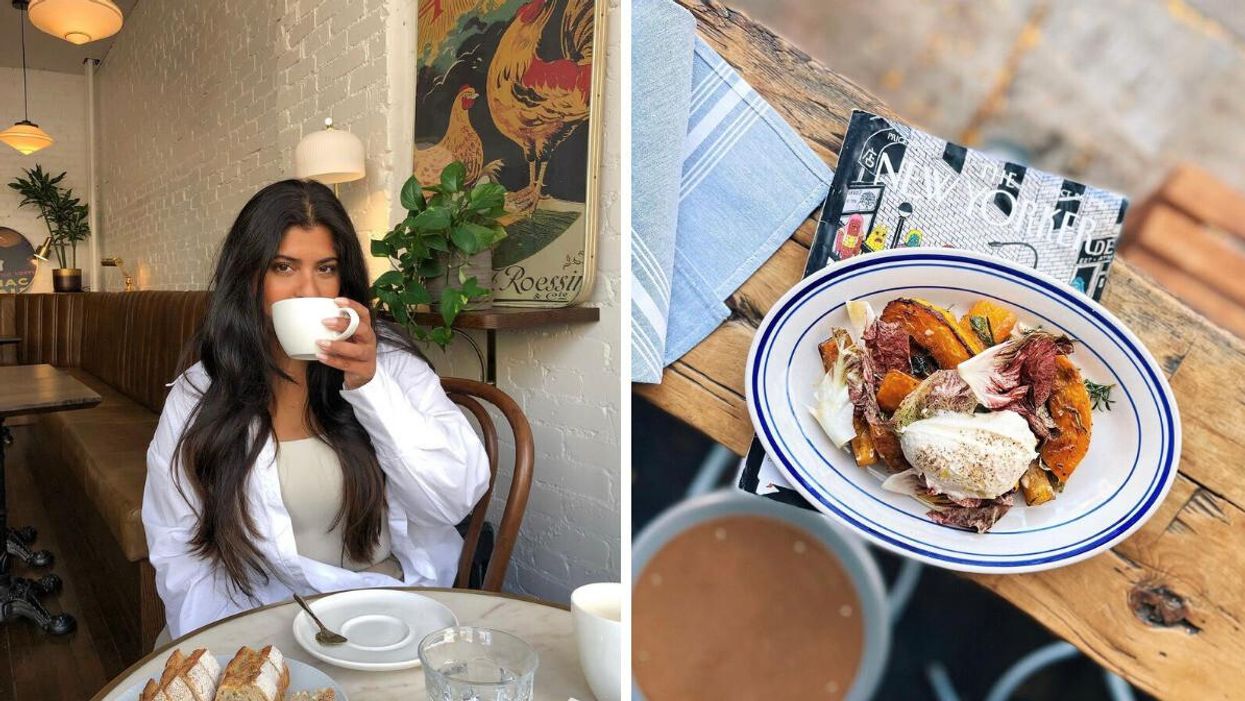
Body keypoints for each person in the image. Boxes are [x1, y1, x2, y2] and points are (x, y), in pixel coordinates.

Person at [143, 179, 490, 640]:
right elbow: (176, 539)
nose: (309, 290)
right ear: (249, 277)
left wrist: (371, 387)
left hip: (379, 611)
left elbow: (453, 498)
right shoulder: (201, 392)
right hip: (253, 613)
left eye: (325, 269)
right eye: (284, 267)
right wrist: (222, 643)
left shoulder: (389, 366)